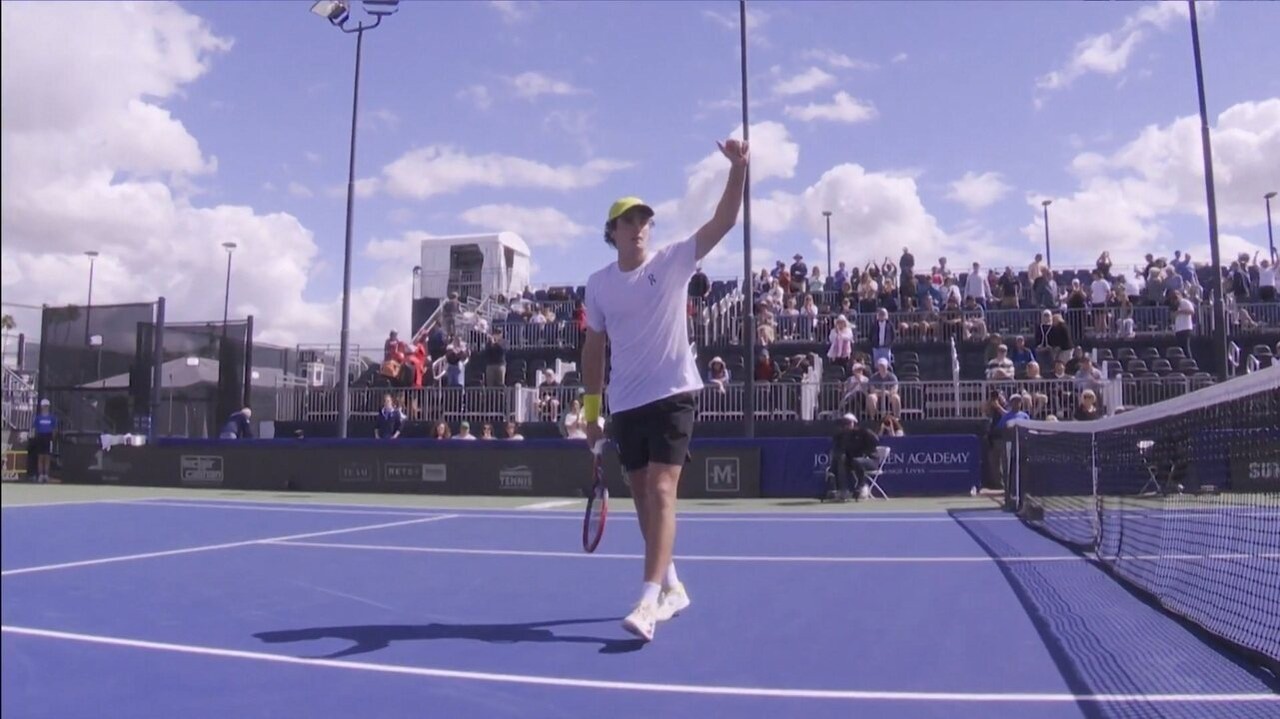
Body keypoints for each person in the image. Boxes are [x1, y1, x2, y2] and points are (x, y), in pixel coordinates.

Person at [581, 137, 748, 642]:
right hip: (625, 403)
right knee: (641, 497)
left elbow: (725, 220)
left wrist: (738, 168)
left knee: (660, 490)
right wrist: (592, 413)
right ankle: (673, 586)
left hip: (674, 394)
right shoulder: (598, 285)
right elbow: (594, 350)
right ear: (612, 232)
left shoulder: (673, 261)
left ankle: (648, 601)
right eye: (628, 220)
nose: (638, 227)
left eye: (644, 220)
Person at [830, 414, 879, 502]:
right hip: (854, 461)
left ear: (854, 423)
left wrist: (865, 448)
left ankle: (862, 486)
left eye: (848, 423)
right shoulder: (842, 436)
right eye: (844, 423)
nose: (846, 425)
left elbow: (876, 440)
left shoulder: (864, 432)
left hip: (871, 461)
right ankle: (843, 490)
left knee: (857, 461)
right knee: (840, 461)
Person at [30, 399, 57, 483]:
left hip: (48, 437)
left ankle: (46, 475)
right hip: (40, 437)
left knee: (47, 457)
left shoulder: (52, 418)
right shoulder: (38, 418)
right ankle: (41, 475)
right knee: (40, 457)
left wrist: (52, 438)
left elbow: (54, 429)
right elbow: (34, 428)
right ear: (41, 407)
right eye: (44, 406)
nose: (45, 407)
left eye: (47, 406)